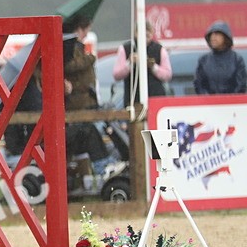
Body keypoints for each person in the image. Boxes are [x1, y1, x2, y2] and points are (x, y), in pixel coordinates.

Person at [62, 16, 108, 188]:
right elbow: (69, 65)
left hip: (84, 103)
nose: (87, 33)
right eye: (87, 29)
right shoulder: (70, 46)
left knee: (83, 139)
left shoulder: (76, 46)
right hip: (76, 105)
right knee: (85, 134)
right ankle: (100, 169)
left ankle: (87, 179)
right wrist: (90, 58)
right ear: (80, 29)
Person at [112, 21, 171, 106]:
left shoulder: (159, 49)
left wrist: (153, 67)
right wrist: (130, 63)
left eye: (148, 33)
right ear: (136, 33)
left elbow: (168, 75)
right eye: (143, 33)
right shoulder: (126, 48)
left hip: (156, 98)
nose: (145, 36)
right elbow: (116, 75)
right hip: (133, 100)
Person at [194, 20, 247, 95]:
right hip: (208, 105)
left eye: (217, 34)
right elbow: (199, 85)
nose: (213, 37)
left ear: (226, 37)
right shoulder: (203, 60)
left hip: (232, 105)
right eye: (211, 34)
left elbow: (240, 86)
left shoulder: (237, 59)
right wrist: (208, 100)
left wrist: (228, 101)